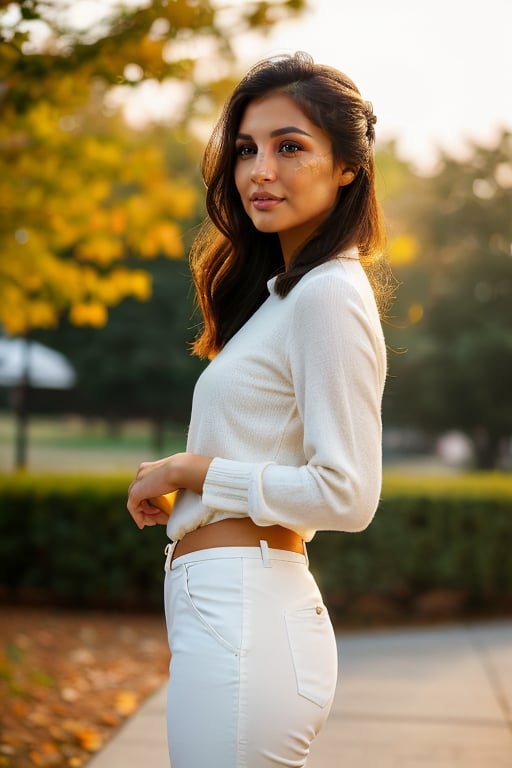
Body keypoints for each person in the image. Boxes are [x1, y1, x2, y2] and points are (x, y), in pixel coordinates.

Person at [127, 50, 391, 768]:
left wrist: (197, 468)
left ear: (347, 167)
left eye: (290, 147)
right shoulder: (283, 297)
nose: (259, 170)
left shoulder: (330, 293)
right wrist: (189, 477)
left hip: (250, 616)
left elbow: (349, 492)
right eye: (246, 149)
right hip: (227, 611)